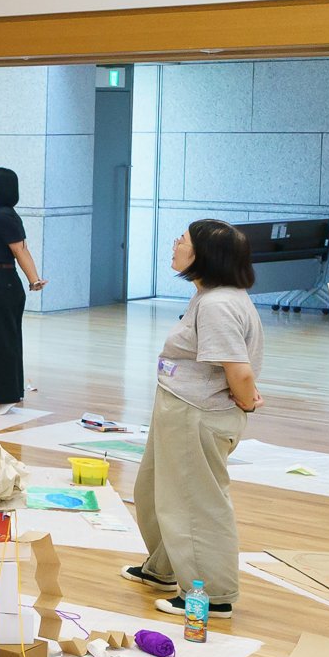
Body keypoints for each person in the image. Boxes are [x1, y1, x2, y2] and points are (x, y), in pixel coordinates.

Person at [125, 221, 263, 615]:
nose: (175, 244)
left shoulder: (219, 304)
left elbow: (239, 371)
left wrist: (247, 401)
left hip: (196, 413)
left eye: (182, 240)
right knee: (153, 491)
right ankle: (164, 567)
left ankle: (210, 595)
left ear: (204, 255)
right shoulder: (209, 296)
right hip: (179, 405)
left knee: (194, 503)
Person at [0, 168, 49, 407]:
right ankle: (5, 389)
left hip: (0, 282)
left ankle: (4, 394)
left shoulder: (4, 216)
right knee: (1, 337)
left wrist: (34, 279)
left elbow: (20, 250)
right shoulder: (3, 216)